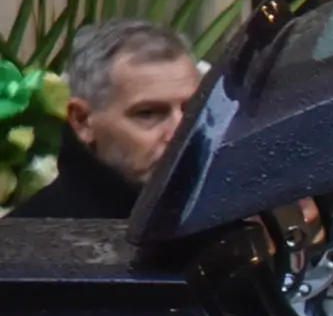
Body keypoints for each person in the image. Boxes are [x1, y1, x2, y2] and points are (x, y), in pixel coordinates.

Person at [8, 18, 196, 220]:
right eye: (148, 113)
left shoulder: (217, 216)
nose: (181, 133)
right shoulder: (28, 232)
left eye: (194, 108)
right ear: (82, 120)